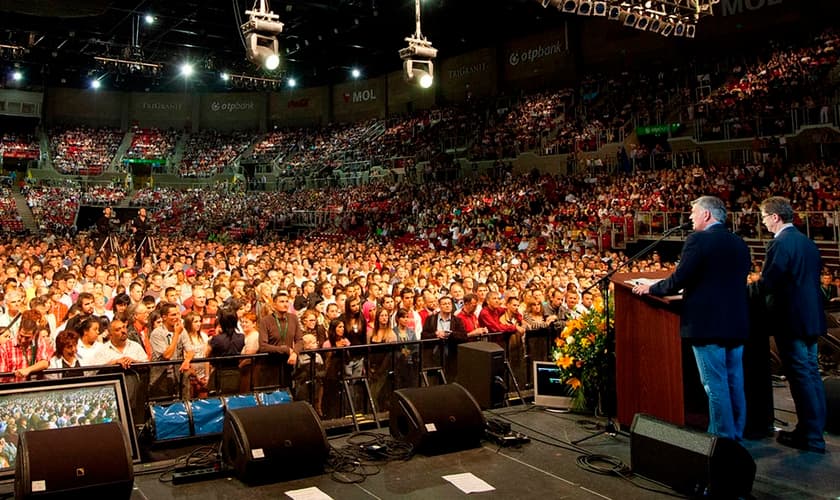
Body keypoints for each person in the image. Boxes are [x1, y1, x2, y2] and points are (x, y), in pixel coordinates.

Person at [633, 196, 750, 441]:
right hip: (735, 322)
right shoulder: (738, 242)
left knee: (714, 384)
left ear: (707, 215)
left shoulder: (698, 239)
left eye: (693, 212)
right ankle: (736, 433)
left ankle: (721, 440)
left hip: (707, 324)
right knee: (733, 382)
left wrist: (651, 289)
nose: (689, 217)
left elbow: (680, 280)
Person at [755, 196, 826, 453]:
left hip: (791, 320)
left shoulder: (780, 243)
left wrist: (748, 290)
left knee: (800, 378)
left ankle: (811, 437)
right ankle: (813, 431)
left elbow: (770, 282)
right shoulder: (807, 242)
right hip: (811, 318)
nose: (763, 223)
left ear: (775, 217)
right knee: (811, 374)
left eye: (764, 217)